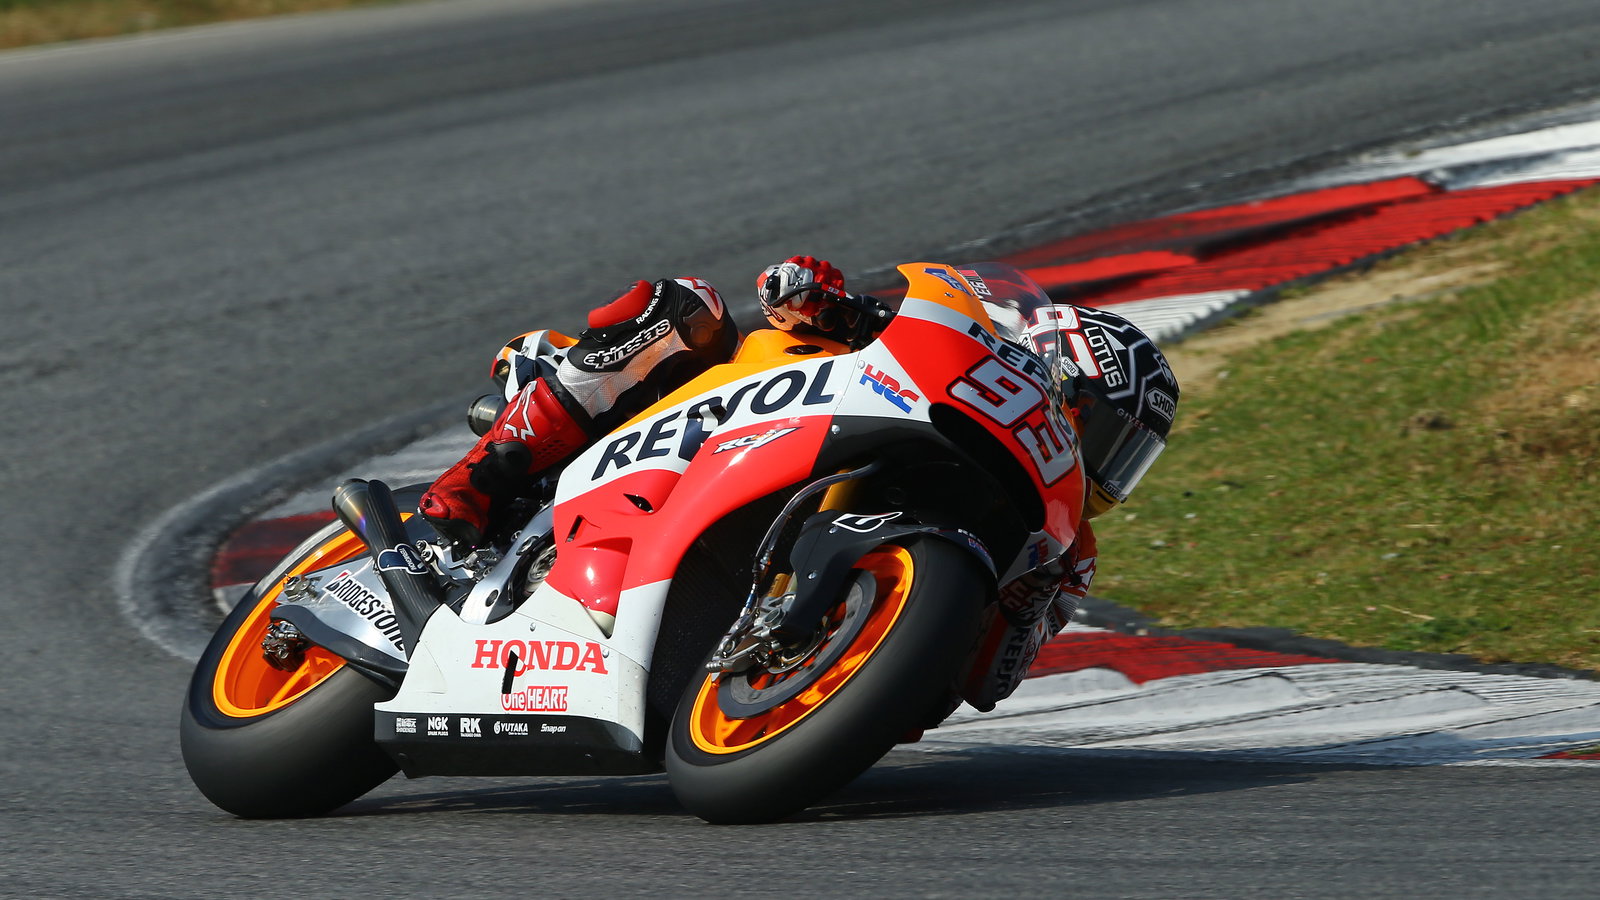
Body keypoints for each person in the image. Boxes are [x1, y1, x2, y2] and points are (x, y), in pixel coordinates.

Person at [418, 256, 1178, 716]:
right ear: (1053, 373)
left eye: (1126, 454)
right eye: (1101, 429)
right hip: (715, 424)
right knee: (684, 307)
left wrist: (1022, 605)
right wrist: (821, 297)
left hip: (800, 668)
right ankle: (467, 492)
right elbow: (789, 297)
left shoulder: (1067, 550)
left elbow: (986, 688)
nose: (1103, 464)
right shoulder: (961, 367)